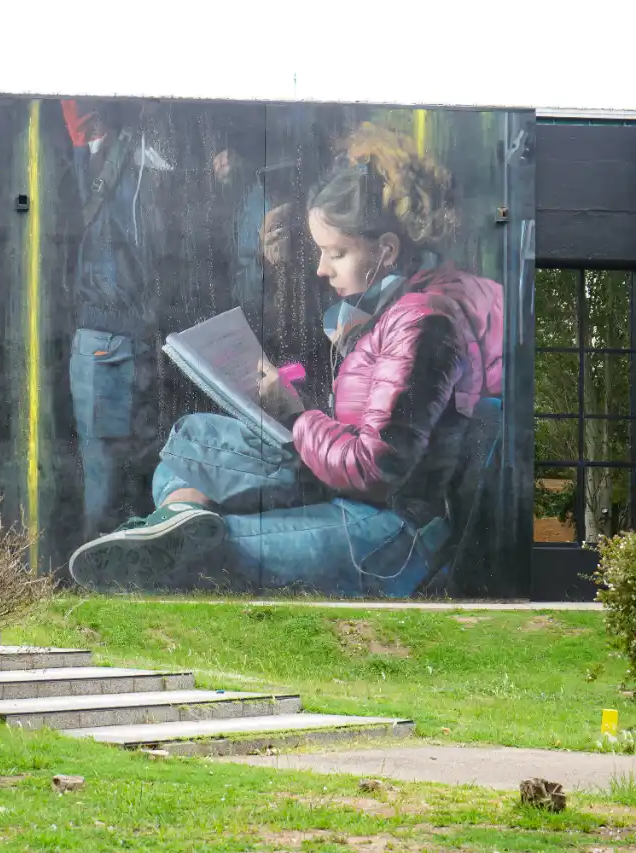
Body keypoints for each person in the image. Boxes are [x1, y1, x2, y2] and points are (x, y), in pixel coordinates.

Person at [68, 124, 504, 597]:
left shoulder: (421, 322)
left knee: (213, 548)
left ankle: (172, 537)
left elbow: (374, 469)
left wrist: (296, 416)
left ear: (386, 251)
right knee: (186, 446)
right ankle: (178, 521)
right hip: (349, 490)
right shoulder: (394, 307)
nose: (321, 268)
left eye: (336, 253)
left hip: (390, 532)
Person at [60, 99, 174, 541]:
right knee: (109, 474)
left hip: (126, 336)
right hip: (111, 336)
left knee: (126, 470)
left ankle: (111, 555)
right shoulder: (106, 158)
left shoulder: (131, 158)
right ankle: (100, 557)